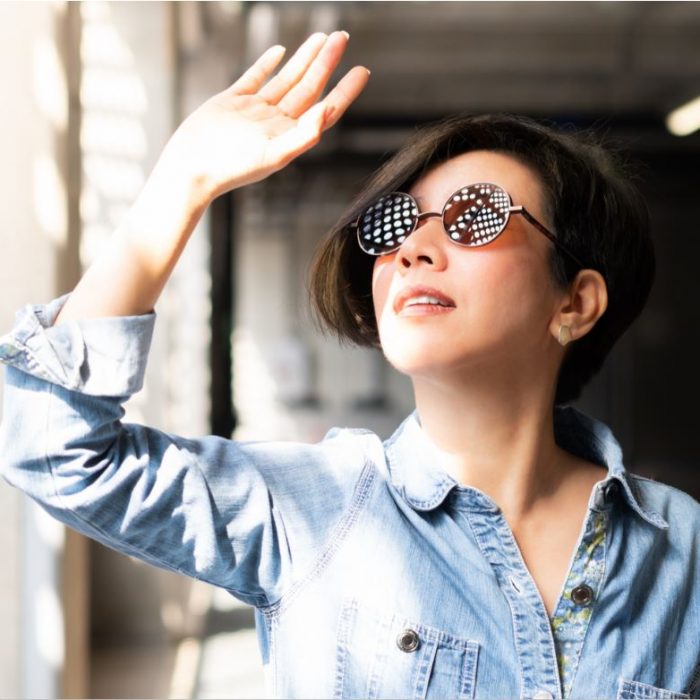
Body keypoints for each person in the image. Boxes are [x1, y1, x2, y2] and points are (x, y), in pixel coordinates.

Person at [0, 30, 698, 700]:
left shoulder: (682, 550)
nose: (413, 250)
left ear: (574, 302)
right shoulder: (309, 510)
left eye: (475, 215)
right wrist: (180, 185)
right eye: (396, 224)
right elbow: (51, 445)